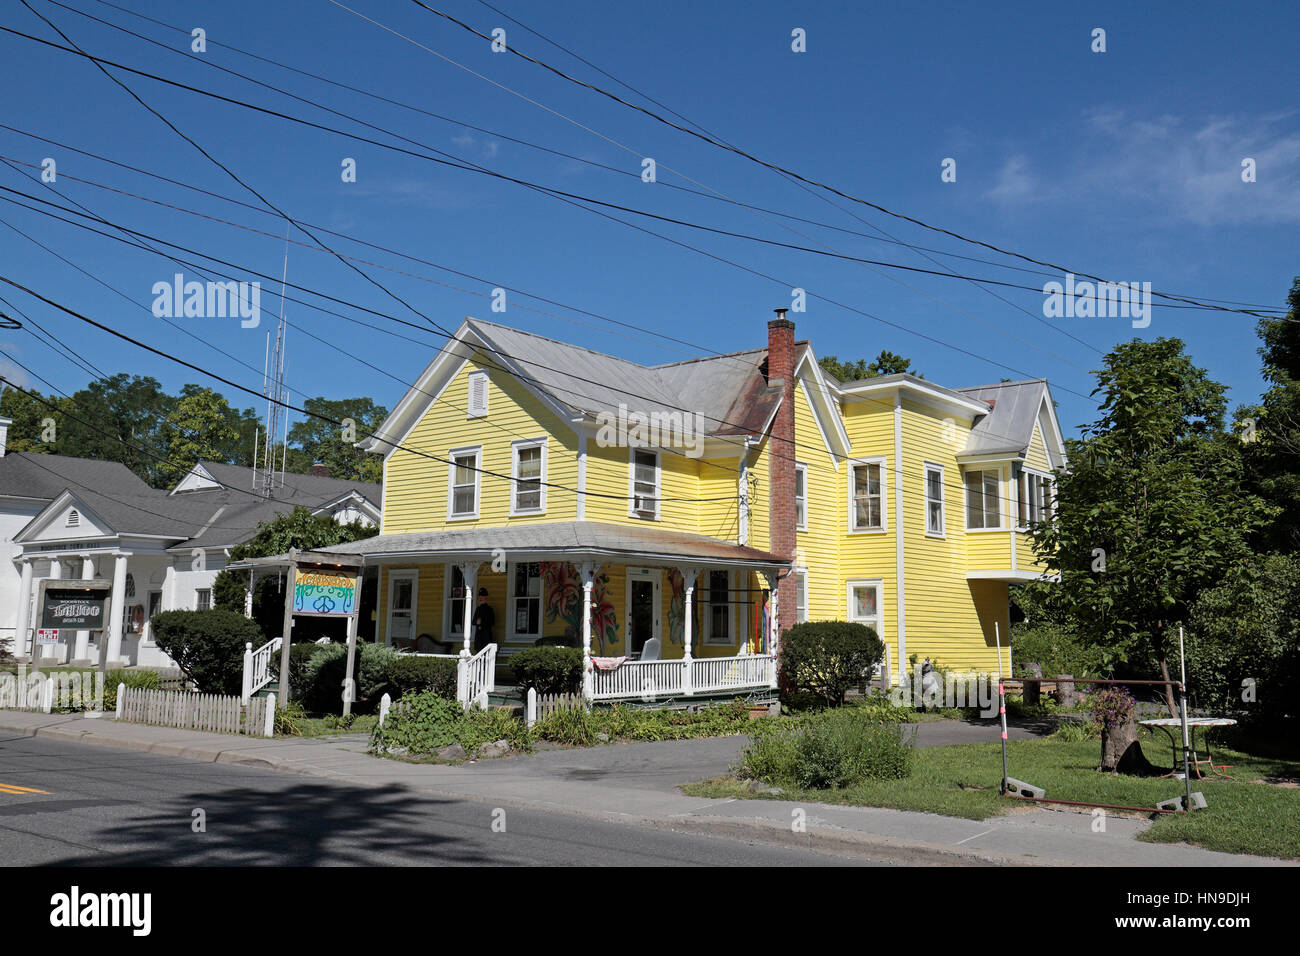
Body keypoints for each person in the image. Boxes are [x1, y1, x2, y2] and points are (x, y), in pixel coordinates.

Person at [471, 587, 495, 653]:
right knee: (478, 651)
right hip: (478, 635)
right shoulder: (478, 609)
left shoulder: (489, 609)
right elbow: (473, 622)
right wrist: (477, 622)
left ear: (486, 597)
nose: (481, 598)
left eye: (482, 596)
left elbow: (492, 622)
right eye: (480, 596)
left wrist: (482, 622)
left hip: (486, 635)